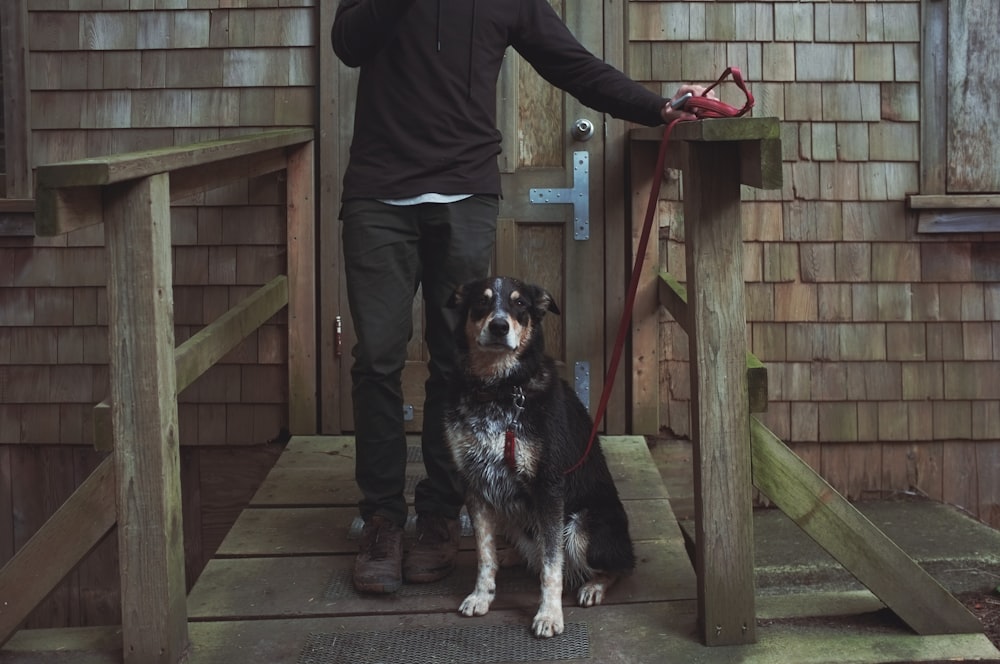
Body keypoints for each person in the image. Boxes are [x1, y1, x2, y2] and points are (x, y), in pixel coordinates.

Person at [331, 0, 710, 594]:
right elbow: (348, 42)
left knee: (455, 359)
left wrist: (656, 107)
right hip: (379, 194)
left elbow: (572, 64)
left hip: (464, 190)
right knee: (376, 356)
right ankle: (381, 518)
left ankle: (437, 515)